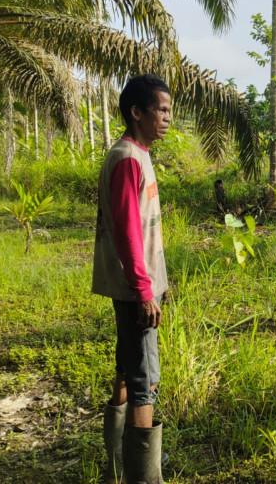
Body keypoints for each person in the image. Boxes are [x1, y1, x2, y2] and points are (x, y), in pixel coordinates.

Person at [93, 74, 170, 484]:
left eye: (169, 110)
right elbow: (126, 231)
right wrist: (144, 290)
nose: (167, 118)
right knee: (145, 381)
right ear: (136, 112)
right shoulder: (126, 157)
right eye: (161, 109)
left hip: (138, 286)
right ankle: (143, 478)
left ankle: (114, 469)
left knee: (127, 369)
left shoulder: (136, 154)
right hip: (135, 289)